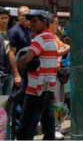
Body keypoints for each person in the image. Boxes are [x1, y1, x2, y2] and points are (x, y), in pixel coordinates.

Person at [16, 10, 58, 140]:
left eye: (35, 21)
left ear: (44, 22)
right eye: (31, 21)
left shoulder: (40, 39)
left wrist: (19, 62)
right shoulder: (51, 37)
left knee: (27, 124)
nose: (31, 24)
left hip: (36, 88)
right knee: (48, 121)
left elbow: (27, 59)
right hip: (48, 86)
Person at [8, 6, 31, 137]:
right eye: (23, 15)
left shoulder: (28, 29)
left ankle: (22, 129)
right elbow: (11, 54)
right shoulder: (14, 31)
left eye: (27, 15)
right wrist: (16, 74)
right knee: (18, 102)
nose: (25, 17)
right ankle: (16, 130)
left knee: (25, 101)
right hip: (19, 73)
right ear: (18, 16)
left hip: (27, 72)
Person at [49, 14, 70, 139]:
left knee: (60, 100)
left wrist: (65, 48)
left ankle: (58, 125)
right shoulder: (48, 37)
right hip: (51, 73)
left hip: (58, 73)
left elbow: (63, 46)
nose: (58, 26)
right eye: (56, 24)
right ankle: (54, 127)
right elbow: (59, 50)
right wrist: (66, 48)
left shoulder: (55, 36)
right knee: (55, 100)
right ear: (50, 24)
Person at [0, 7, 12, 95]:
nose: (5, 21)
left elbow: (8, 52)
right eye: (2, 18)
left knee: (7, 101)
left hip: (8, 73)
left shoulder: (8, 34)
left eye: (6, 18)